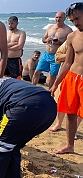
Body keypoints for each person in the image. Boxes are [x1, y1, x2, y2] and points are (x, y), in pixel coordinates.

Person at [50, 2, 83, 153]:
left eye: (78, 18)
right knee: (70, 113)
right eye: (73, 20)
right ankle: (69, 146)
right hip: (72, 78)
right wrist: (56, 83)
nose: (76, 23)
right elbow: (67, 62)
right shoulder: (72, 36)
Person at [49, 41, 82, 139]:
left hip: (80, 76)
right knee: (62, 100)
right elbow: (57, 57)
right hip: (68, 74)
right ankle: (58, 123)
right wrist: (73, 54)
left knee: (80, 106)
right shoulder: (71, 39)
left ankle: (74, 129)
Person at [31, 12, 72, 88]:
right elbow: (43, 39)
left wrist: (59, 42)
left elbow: (70, 45)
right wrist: (47, 39)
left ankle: (50, 93)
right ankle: (33, 88)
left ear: (64, 18)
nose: (58, 19)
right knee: (37, 72)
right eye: (56, 17)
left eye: (60, 17)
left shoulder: (68, 30)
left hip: (56, 56)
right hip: (46, 54)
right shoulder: (50, 27)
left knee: (53, 76)